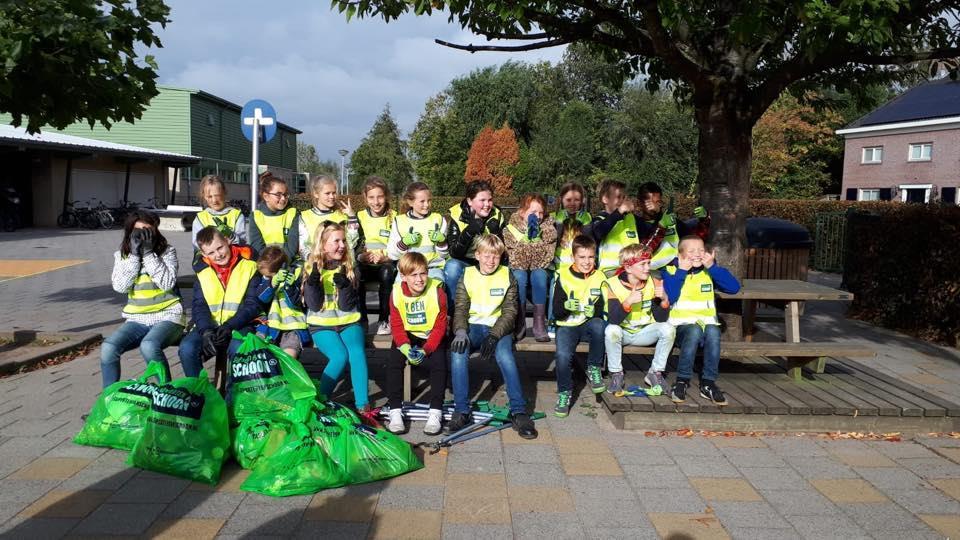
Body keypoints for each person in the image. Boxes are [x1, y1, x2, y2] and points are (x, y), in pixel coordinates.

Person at [449, 234, 537, 439]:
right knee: (457, 353)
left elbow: (510, 312)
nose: (491, 261)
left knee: (506, 357)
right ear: (477, 255)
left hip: (498, 329)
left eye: (496, 256)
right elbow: (460, 307)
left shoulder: (507, 275)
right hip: (471, 327)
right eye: (486, 256)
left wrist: (494, 336)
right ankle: (461, 410)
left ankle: (519, 411)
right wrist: (460, 331)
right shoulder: (467, 274)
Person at [101, 211, 184, 387]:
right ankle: (107, 401)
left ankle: (163, 396)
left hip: (168, 316)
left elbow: (167, 283)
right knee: (108, 347)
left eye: (147, 230)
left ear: (155, 230)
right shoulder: (122, 256)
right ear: (129, 232)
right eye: (137, 231)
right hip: (137, 318)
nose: (142, 235)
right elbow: (120, 287)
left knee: (149, 345)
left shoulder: (167, 252)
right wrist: (134, 255)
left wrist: (148, 254)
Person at [662, 235, 740, 405]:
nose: (697, 254)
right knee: (694, 330)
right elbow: (671, 296)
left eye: (701, 250)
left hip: (706, 328)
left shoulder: (709, 271)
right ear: (680, 255)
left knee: (713, 330)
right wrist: (682, 271)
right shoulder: (670, 271)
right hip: (681, 329)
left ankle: (708, 383)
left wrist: (712, 266)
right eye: (691, 251)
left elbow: (734, 288)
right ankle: (682, 380)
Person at [303, 222, 370, 413]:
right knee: (339, 356)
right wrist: (313, 283)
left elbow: (347, 305)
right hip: (322, 324)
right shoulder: (311, 267)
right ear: (323, 245)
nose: (342, 245)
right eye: (336, 241)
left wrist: (346, 287)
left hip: (348, 320)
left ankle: (363, 406)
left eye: (343, 241)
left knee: (357, 353)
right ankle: (321, 401)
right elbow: (314, 305)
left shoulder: (349, 267)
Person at [179, 226, 262, 378]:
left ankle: (233, 395)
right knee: (187, 348)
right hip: (211, 325)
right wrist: (206, 331)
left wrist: (229, 326)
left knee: (238, 348)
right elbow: (199, 306)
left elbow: (253, 305)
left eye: (220, 248)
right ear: (204, 254)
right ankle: (200, 393)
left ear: (227, 241)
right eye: (211, 252)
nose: (218, 255)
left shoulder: (250, 265)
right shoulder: (202, 271)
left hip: (240, 324)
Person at [385, 252, 448, 435]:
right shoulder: (396, 292)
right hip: (408, 334)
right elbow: (396, 325)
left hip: (431, 335)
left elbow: (440, 326)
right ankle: (395, 411)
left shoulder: (438, 291)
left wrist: (426, 350)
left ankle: (436, 411)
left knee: (439, 363)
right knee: (394, 362)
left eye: (423, 273)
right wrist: (404, 348)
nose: (420, 280)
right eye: (414, 275)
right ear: (403, 277)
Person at [602, 245, 676, 394]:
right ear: (628, 268)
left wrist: (664, 299)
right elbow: (614, 319)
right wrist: (628, 302)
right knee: (611, 330)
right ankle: (616, 374)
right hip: (623, 333)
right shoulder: (613, 284)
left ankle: (655, 373)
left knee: (668, 329)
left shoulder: (654, 281)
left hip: (644, 333)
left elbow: (661, 318)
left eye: (649, 263)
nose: (647, 268)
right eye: (642, 264)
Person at [551, 234, 607, 416]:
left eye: (591, 257)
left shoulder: (599, 276)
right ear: (573, 257)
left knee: (599, 324)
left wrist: (596, 312)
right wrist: (566, 307)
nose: (587, 261)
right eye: (582, 257)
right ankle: (564, 393)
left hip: (588, 324)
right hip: (567, 325)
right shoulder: (563, 275)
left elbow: (602, 305)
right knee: (562, 355)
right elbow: (557, 311)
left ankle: (594, 367)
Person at [503, 193, 557, 341]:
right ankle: (520, 322)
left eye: (541, 212)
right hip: (519, 268)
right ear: (522, 212)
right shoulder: (510, 229)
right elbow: (515, 260)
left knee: (539, 274)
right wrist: (526, 240)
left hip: (539, 269)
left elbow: (545, 259)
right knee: (519, 275)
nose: (538, 216)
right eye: (533, 212)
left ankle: (539, 323)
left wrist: (537, 239)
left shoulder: (549, 229)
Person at [444, 181, 506, 301]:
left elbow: (504, 254)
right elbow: (454, 253)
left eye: (490, 200)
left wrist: (496, 234)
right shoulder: (457, 216)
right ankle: (452, 311)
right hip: (465, 262)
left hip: (490, 262)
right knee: (452, 267)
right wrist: (469, 232)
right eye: (482, 200)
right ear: (470, 201)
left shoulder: (498, 215)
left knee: (512, 271)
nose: (487, 204)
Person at [547, 181, 593, 339]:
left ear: (582, 201)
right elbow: (551, 242)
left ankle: (581, 324)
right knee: (555, 288)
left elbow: (590, 242)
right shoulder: (554, 217)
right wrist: (559, 224)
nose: (573, 204)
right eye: (568, 200)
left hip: (579, 268)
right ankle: (553, 321)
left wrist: (586, 225)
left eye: (576, 200)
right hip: (559, 266)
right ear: (561, 200)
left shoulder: (586, 217)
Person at [356, 176, 398, 335]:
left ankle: (384, 320)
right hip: (365, 263)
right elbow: (354, 243)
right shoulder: (359, 216)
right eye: (371, 197)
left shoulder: (394, 217)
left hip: (386, 262)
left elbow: (398, 244)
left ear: (386, 196)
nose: (376, 201)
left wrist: (385, 257)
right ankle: (362, 321)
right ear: (365, 199)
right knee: (355, 274)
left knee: (388, 273)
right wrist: (361, 256)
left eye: (380, 196)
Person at [253, 246, 309, 359]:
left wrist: (290, 287)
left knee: (289, 357)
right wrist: (272, 283)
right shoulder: (267, 279)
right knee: (258, 352)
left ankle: (287, 376)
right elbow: (262, 298)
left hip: (294, 327)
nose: (266, 277)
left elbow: (297, 302)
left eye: (269, 276)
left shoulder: (298, 273)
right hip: (269, 326)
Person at [386, 182, 448, 283]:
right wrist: (403, 243)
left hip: (432, 270)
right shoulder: (399, 221)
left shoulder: (439, 220)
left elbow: (444, 255)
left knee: (436, 292)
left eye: (429, 200)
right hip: (408, 271)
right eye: (422, 201)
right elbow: (392, 255)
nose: (427, 205)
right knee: (399, 291)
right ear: (410, 202)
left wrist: (442, 242)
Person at [298, 175, 360, 262]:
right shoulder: (305, 217)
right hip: (317, 267)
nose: (332, 196)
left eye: (334, 193)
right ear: (316, 194)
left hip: (341, 267)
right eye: (327, 193)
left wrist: (352, 217)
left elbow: (352, 242)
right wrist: (313, 260)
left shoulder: (343, 216)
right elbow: (303, 246)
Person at [191, 174, 247, 252]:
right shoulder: (200, 218)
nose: (214, 201)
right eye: (209, 197)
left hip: (234, 260)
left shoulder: (236, 215)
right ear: (204, 196)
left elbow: (242, 242)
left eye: (217, 195)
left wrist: (231, 236)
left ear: (224, 192)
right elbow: (197, 245)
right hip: (208, 261)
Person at [250, 173, 299, 261]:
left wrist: (282, 264)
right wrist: (269, 266)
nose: (283, 198)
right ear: (266, 196)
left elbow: (292, 246)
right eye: (278, 195)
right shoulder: (256, 217)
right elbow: (257, 246)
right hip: (265, 266)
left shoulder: (293, 213)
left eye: (285, 194)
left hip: (288, 264)